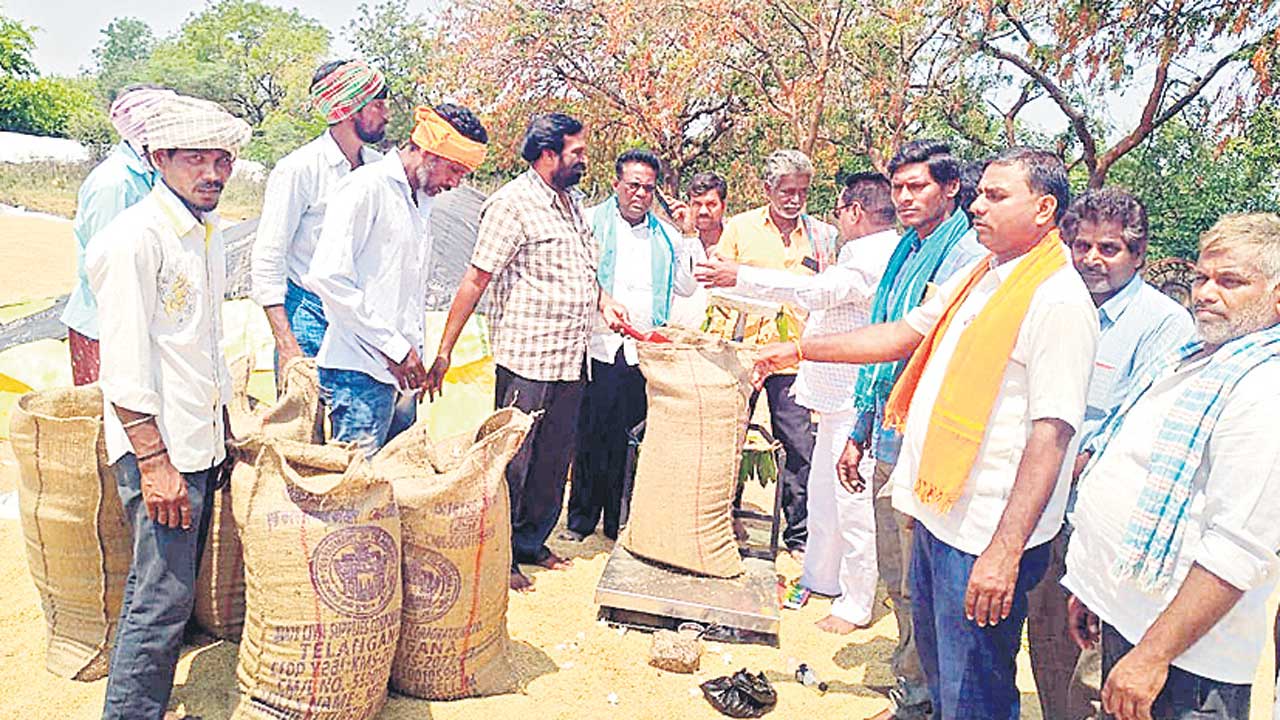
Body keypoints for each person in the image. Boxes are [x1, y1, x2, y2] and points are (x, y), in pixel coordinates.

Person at [752, 147, 1098, 720]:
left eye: (996, 196)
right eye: (980, 192)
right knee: (941, 675)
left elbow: (1051, 436)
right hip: (942, 517)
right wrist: (799, 348)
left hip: (985, 535)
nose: (978, 206)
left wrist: (1004, 553)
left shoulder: (1057, 300)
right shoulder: (980, 274)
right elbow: (899, 336)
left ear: (1044, 209)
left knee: (975, 692)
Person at [1063, 212, 1280, 720]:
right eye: (1203, 277)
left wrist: (1152, 655)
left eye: (1230, 282)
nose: (1205, 293)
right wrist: (1096, 589)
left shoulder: (1264, 390)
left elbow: (1236, 550)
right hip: (1131, 623)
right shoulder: (1197, 358)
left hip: (1187, 663)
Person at [86, 94, 252, 720]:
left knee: (166, 592)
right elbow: (124, 369)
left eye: (223, 160)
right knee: (159, 597)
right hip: (162, 452)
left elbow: (199, 348)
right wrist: (155, 463)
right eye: (196, 160)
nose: (212, 173)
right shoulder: (133, 241)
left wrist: (225, 427)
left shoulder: (202, 231)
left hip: (197, 441)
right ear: (159, 158)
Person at [424, 113, 629, 591]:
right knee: (514, 459)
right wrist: (445, 351)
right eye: (576, 152)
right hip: (527, 357)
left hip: (570, 357)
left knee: (555, 458)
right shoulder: (510, 205)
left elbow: (582, 269)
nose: (584, 160)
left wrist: (604, 300)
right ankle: (500, 554)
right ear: (547, 154)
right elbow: (476, 277)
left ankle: (532, 542)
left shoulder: (572, 202)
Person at [697, 171, 899, 633]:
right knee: (827, 495)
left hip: (856, 399)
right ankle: (823, 577)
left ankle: (856, 601)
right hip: (835, 395)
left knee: (851, 501)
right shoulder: (865, 250)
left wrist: (739, 275)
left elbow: (816, 293)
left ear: (854, 212)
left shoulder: (873, 254)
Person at [1027, 188, 1194, 720]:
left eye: (1109, 248)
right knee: (1048, 639)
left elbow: (1128, 428)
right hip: (1044, 507)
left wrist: (1048, 471)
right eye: (1081, 246)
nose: (1092, 259)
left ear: (1138, 254)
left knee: (1095, 661)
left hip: (1098, 522)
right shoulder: (1056, 305)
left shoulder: (1164, 324)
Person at [836, 140, 987, 720]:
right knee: (898, 575)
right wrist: (860, 430)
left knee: (927, 582)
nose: (904, 198)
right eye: (898, 187)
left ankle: (932, 699)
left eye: (917, 186)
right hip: (889, 428)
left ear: (950, 189)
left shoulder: (965, 255)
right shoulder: (905, 251)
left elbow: (911, 340)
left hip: (933, 439)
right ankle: (916, 692)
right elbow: (884, 358)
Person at [303, 104, 488, 458]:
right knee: (358, 500)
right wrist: (395, 348)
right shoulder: (365, 187)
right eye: (453, 170)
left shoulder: (420, 201)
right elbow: (327, 277)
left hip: (401, 376)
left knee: (394, 489)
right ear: (428, 151)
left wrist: (416, 353)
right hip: (359, 374)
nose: (454, 183)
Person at [706, 149, 839, 558]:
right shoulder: (740, 229)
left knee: (798, 444)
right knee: (727, 438)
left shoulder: (821, 236)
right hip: (743, 354)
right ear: (768, 189)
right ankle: (723, 522)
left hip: (793, 358)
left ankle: (799, 536)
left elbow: (826, 292)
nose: (794, 200)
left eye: (802, 191)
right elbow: (718, 286)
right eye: (786, 191)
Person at [561, 149, 695, 542]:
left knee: (631, 439)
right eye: (633, 185)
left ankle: (618, 522)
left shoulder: (668, 236)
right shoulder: (588, 223)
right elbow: (577, 275)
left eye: (648, 188)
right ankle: (580, 520)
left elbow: (687, 285)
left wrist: (687, 234)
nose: (640, 194)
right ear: (617, 184)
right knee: (590, 433)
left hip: (643, 351)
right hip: (597, 345)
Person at [250, 59, 388, 369]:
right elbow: (268, 258)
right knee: (304, 415)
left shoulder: (379, 169)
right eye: (377, 105)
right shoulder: (299, 169)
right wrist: (286, 343)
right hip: (308, 316)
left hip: (364, 320)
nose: (386, 115)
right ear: (349, 109)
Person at [60, 85, 173, 385]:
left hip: (136, 321)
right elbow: (102, 266)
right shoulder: (114, 184)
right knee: (109, 418)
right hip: (103, 326)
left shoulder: (151, 174)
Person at [668, 171, 728, 328]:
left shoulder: (736, 245)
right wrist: (688, 234)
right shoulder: (676, 243)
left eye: (711, 204)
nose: (703, 211)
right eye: (697, 204)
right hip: (682, 339)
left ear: (723, 205)